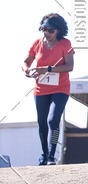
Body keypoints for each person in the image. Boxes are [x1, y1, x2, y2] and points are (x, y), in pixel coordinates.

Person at [23, 14, 74, 165]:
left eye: (50, 30)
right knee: (42, 122)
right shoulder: (38, 43)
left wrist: (48, 69)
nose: (46, 33)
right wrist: (26, 70)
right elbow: (26, 61)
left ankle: (52, 155)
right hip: (41, 89)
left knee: (53, 120)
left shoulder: (65, 44)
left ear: (58, 30)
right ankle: (44, 154)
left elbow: (69, 66)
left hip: (60, 88)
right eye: (43, 29)